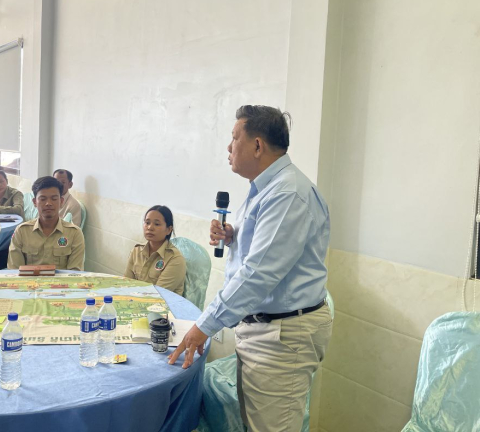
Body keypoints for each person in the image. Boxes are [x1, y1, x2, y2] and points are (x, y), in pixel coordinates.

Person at [168, 105, 332, 432]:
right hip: (264, 328)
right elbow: (267, 252)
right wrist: (234, 237)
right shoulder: (265, 188)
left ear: (257, 146)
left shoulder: (287, 193)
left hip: (281, 335)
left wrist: (205, 325)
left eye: (234, 138)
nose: (228, 147)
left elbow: (259, 274)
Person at [7, 176, 85, 271]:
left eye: (54, 199)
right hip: (28, 280)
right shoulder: (22, 231)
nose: (48, 203)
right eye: (43, 199)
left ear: (61, 201)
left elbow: (75, 274)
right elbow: (14, 271)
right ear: (35, 202)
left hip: (62, 281)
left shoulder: (74, 233)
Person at [124, 206, 186, 295]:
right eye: (147, 222)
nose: (150, 227)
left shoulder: (175, 259)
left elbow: (157, 295)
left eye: (157, 224)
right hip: (134, 300)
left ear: (169, 230)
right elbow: (126, 283)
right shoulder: (136, 251)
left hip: (161, 303)